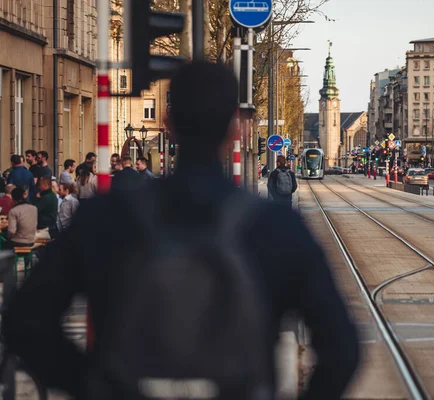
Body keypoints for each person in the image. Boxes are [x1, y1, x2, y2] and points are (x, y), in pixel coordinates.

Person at [1, 61, 359, 400]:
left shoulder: (105, 218)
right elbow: (342, 349)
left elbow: (25, 323)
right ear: (237, 128)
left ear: (169, 122)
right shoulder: (276, 227)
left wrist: (96, 386)